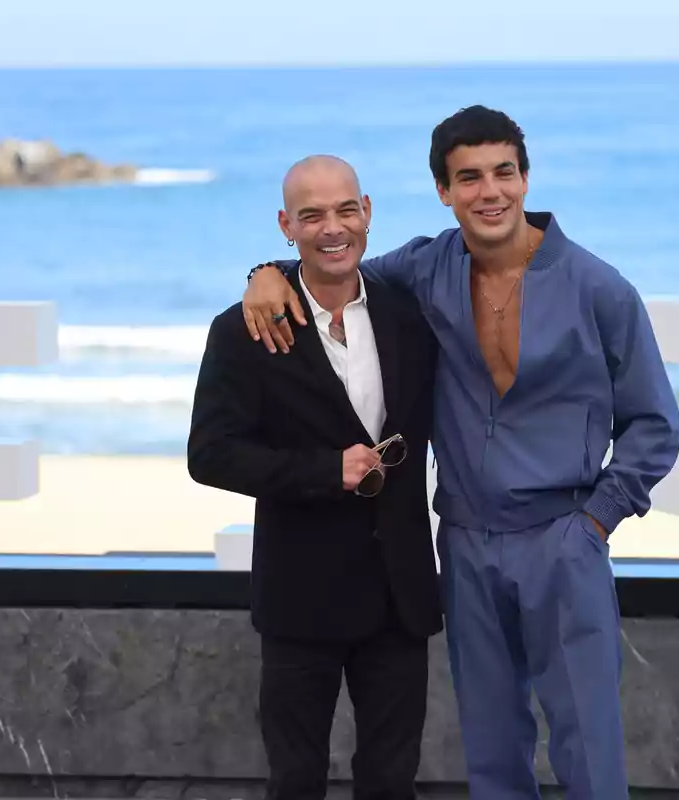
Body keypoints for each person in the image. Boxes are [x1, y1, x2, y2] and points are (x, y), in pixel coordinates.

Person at [240, 107, 679, 799]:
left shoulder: (599, 287)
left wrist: (596, 521)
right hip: (468, 545)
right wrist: (264, 271)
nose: (490, 191)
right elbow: (333, 265)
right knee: (492, 749)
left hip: (564, 538)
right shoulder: (424, 268)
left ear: (526, 179)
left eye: (504, 173)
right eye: (468, 177)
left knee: (587, 746)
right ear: (444, 191)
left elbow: (654, 421)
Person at [188, 155, 442, 800]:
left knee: (391, 781)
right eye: (312, 215)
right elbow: (210, 453)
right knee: (295, 781)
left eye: (345, 210)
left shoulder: (411, 313)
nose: (333, 228)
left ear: (367, 212)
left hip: (400, 596)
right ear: (286, 225)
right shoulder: (241, 329)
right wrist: (323, 471)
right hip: (301, 596)